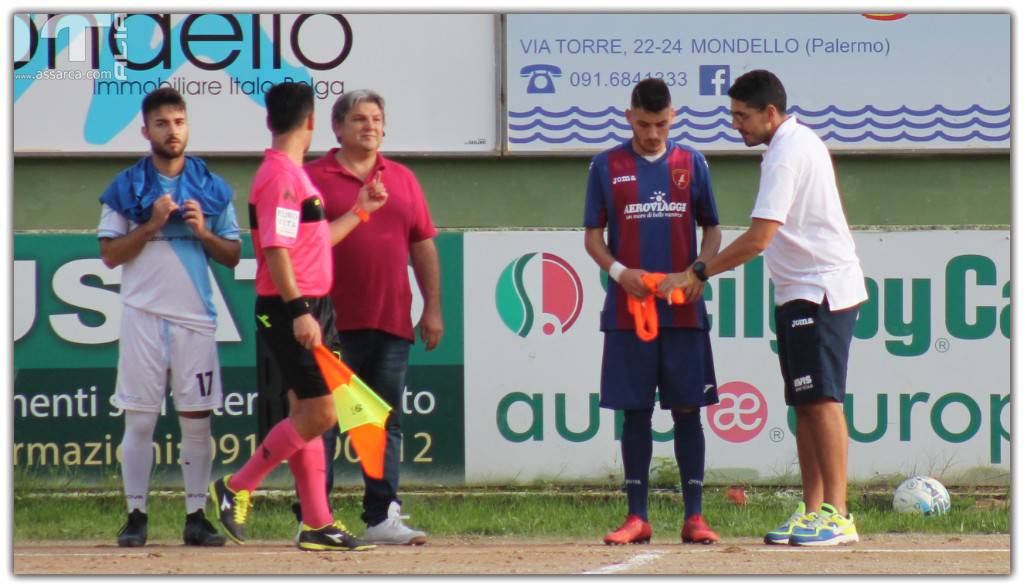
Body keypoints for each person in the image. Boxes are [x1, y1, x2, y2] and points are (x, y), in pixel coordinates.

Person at [659, 69, 867, 547]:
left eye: (744, 116)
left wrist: (698, 272)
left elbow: (759, 238)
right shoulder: (784, 148)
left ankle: (839, 514)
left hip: (822, 291)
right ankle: (813, 510)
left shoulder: (787, 153)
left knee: (823, 401)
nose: (737, 125)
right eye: (733, 116)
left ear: (770, 113)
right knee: (804, 404)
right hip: (797, 291)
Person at [208, 82, 387, 551]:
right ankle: (237, 484)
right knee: (322, 411)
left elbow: (311, 242)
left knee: (305, 411)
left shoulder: (292, 174)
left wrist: (361, 212)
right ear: (310, 122)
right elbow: (275, 250)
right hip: (294, 307)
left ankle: (316, 522)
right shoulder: (281, 177)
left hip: (310, 304)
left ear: (271, 121)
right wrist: (300, 312)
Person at [583, 78, 723, 546]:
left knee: (688, 410)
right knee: (635, 412)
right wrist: (620, 271)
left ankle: (695, 516)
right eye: (644, 124)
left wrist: (698, 272)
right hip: (629, 312)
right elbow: (592, 239)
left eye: (661, 124)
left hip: (683, 314)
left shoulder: (692, 162)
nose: (652, 134)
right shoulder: (605, 166)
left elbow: (713, 229)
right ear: (629, 117)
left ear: (673, 117)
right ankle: (637, 516)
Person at [98, 87, 240, 548]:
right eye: (161, 123)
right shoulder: (126, 187)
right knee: (139, 421)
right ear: (146, 130)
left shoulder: (212, 187)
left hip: (195, 318)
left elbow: (234, 254)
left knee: (197, 422)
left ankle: (195, 516)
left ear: (187, 126)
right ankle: (135, 515)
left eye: (178, 122)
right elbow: (110, 256)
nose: (171, 130)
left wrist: (201, 231)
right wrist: (152, 224)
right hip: (142, 314)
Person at [301, 89, 441, 545]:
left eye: (377, 118)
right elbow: (301, 246)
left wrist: (432, 307)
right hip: (329, 321)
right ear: (337, 127)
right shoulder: (311, 178)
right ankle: (316, 516)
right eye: (359, 119)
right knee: (321, 418)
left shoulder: (402, 178)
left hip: (391, 321)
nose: (370, 126)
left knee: (381, 421)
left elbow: (422, 245)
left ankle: (382, 515)